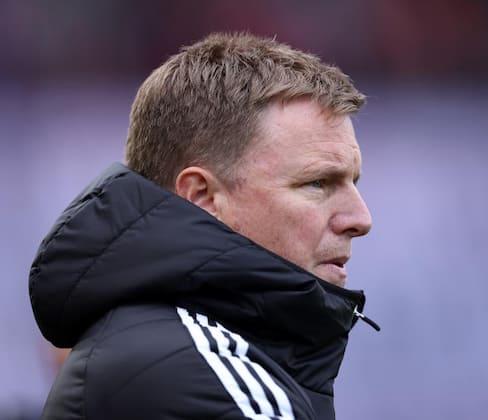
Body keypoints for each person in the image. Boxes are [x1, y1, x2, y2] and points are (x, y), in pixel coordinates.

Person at [29, 32, 378, 420]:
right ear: (201, 197)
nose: (361, 219)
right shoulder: (189, 375)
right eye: (318, 183)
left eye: (353, 182)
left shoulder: (187, 350)